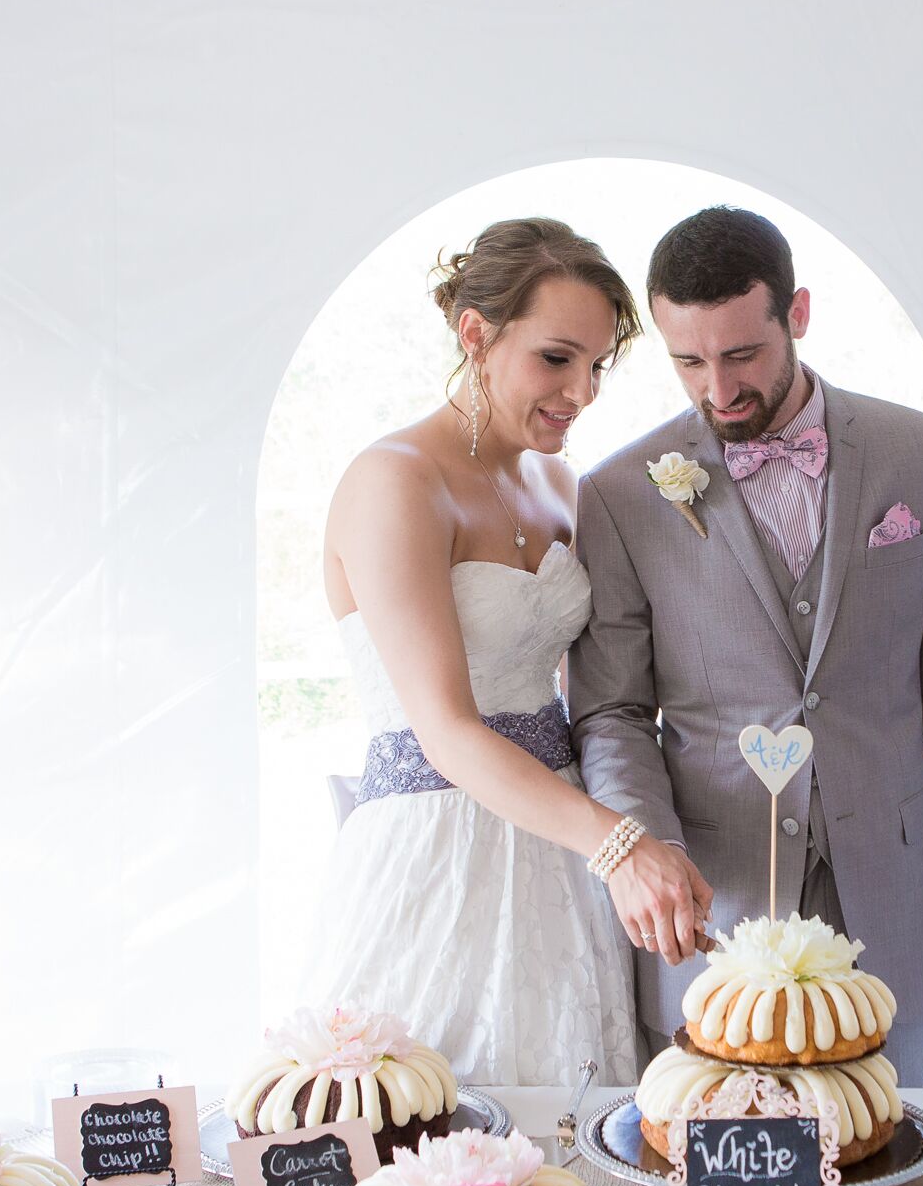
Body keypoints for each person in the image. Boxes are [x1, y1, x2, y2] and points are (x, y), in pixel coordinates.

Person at [567, 206, 923, 1082]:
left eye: (742, 353)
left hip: (890, 905)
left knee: (882, 1153)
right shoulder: (621, 494)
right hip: (714, 911)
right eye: (689, 361)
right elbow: (613, 711)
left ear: (800, 313)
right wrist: (648, 853)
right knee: (727, 1175)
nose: (718, 389)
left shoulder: (921, 456)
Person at [302, 217, 713, 1086]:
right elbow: (445, 730)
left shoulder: (559, 483)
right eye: (558, 358)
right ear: (476, 333)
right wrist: (620, 846)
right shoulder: (395, 481)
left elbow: (598, 692)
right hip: (437, 857)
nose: (582, 392)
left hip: (561, 862)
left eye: (598, 366)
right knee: (431, 1149)